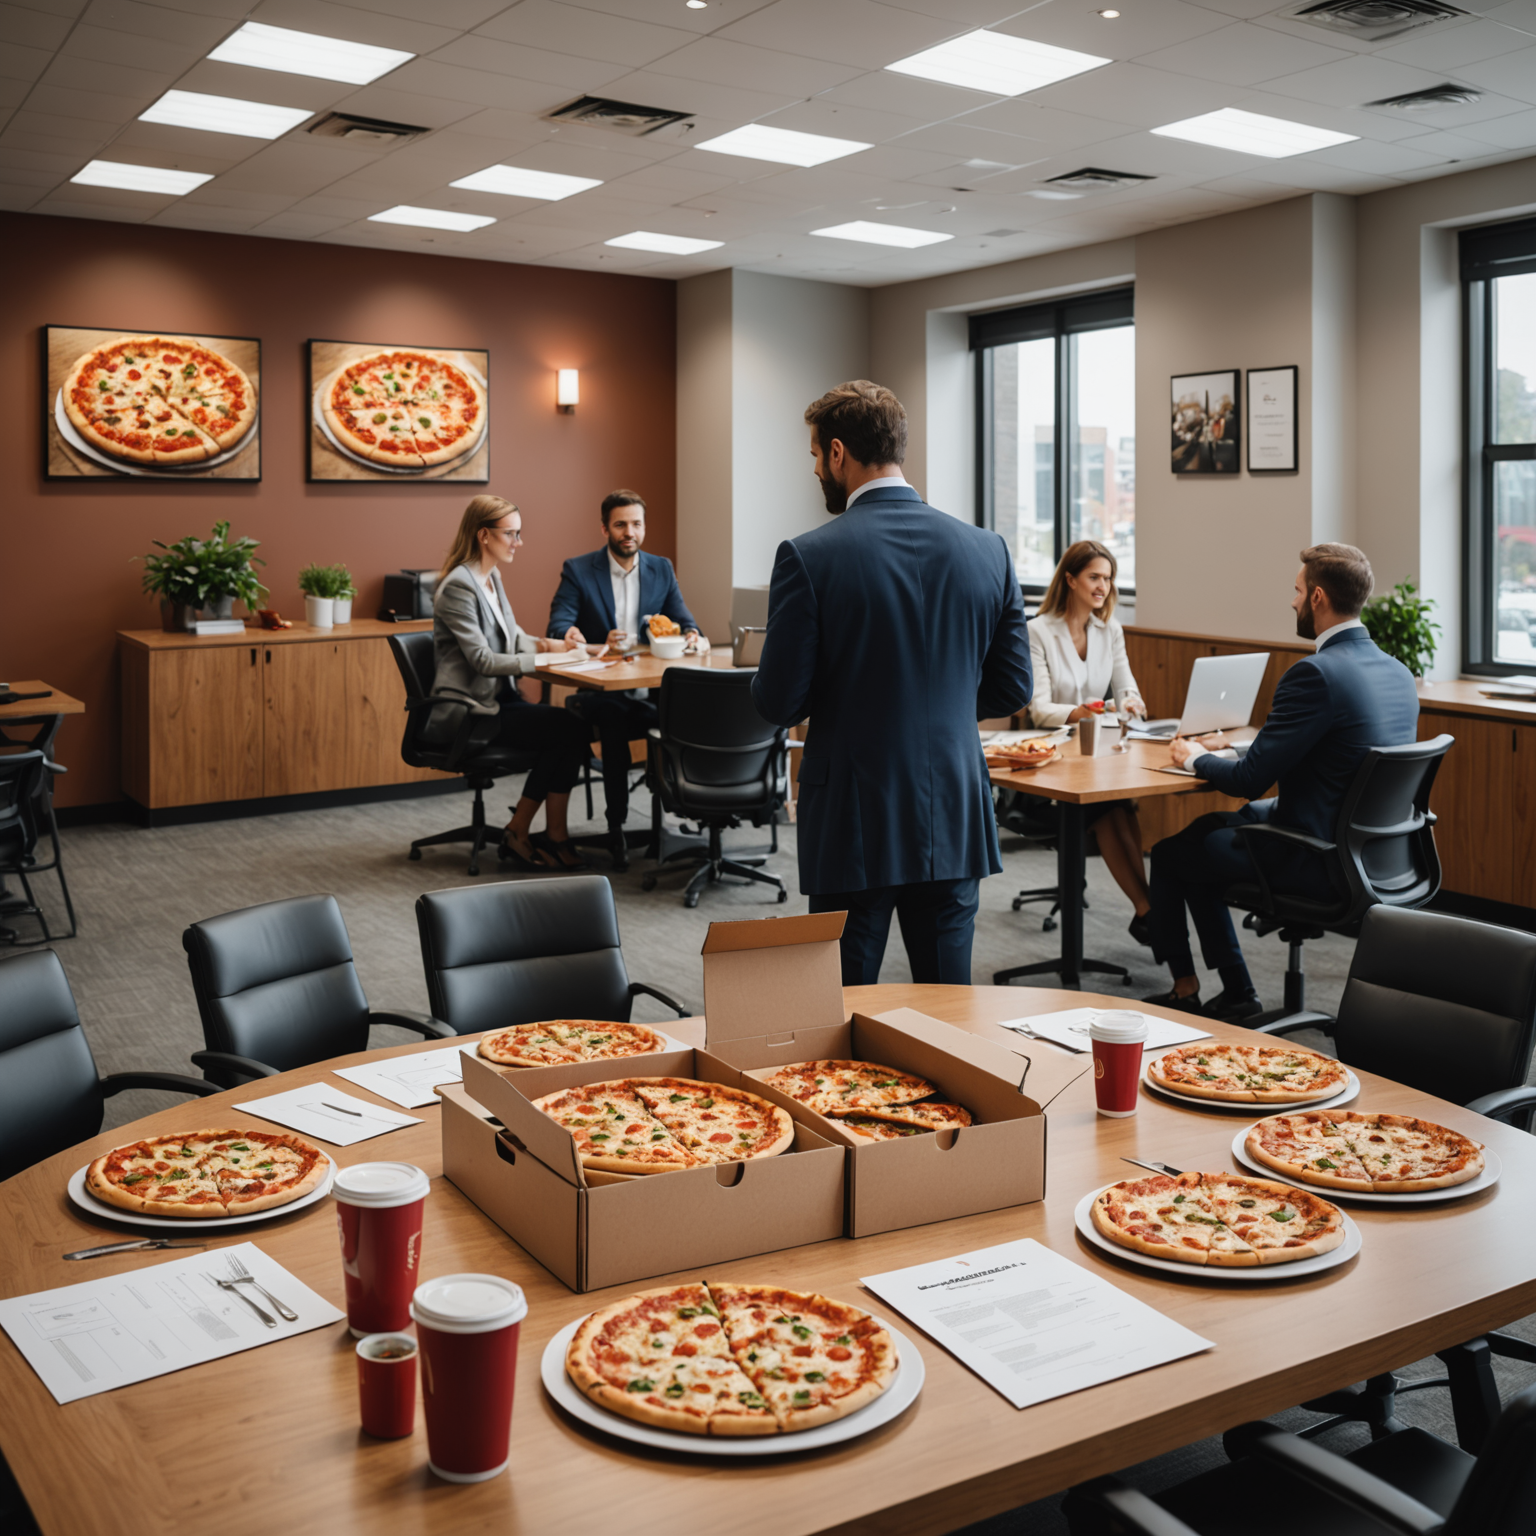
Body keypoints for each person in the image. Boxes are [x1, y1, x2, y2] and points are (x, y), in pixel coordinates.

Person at [752, 380, 1032, 986]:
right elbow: (1013, 688)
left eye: (814, 459)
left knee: (843, 1014)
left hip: (854, 813)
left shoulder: (807, 556)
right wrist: (945, 704)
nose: (817, 473)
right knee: (950, 1006)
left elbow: (779, 701)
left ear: (836, 453)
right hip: (954, 807)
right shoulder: (989, 550)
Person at [1143, 543, 1418, 1020]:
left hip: (1317, 857)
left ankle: (1210, 989)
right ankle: (1232, 992)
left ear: (1317, 597)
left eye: (1295, 591)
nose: (1290, 602)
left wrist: (1192, 758)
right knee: (1204, 835)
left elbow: (1250, 781)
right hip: (1375, 851)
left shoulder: (1315, 673)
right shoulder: (1397, 672)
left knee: (1172, 855)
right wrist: (1227, 750)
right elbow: (1329, 750)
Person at [433, 494, 594, 871]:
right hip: (472, 711)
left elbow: (511, 637)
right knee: (567, 729)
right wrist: (546, 659)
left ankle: (547, 833)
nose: (518, 543)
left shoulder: (491, 577)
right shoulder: (459, 586)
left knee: (571, 728)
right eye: (512, 534)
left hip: (502, 701)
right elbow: (483, 660)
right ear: (484, 535)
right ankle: (524, 830)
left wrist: (558, 644)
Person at [547, 489, 705, 871]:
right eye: (620, 525)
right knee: (615, 719)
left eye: (636, 524)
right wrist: (583, 638)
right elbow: (559, 624)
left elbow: (686, 620)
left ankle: (674, 815)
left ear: (644, 528)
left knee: (680, 716)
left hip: (650, 691)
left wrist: (690, 635)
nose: (629, 532)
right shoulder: (579, 569)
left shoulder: (661, 568)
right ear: (605, 528)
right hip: (599, 692)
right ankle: (616, 825)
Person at [1026, 539, 1153, 945]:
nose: (1103, 587)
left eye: (1109, 579)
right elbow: (1039, 708)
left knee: (1118, 805)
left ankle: (1148, 910)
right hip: (1049, 764)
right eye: (1094, 577)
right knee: (1110, 810)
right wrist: (1081, 711)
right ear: (1070, 579)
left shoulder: (1109, 629)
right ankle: (1148, 910)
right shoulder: (1037, 631)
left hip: (1096, 756)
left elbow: (1126, 686)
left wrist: (1131, 701)